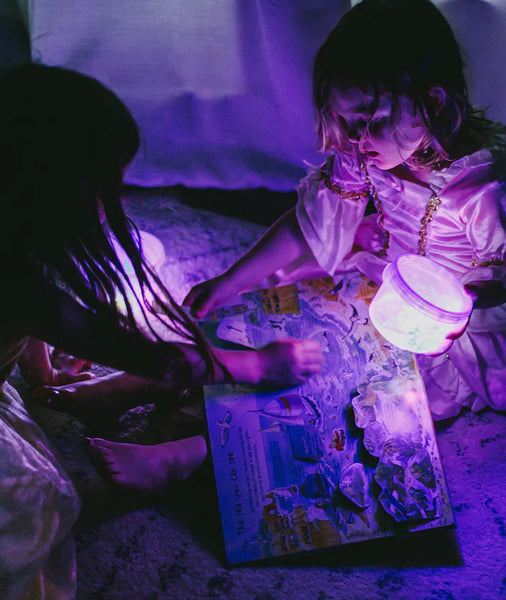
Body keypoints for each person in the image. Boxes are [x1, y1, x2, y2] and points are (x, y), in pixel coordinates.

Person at [0, 63, 321, 600]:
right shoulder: (22, 286)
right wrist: (257, 364)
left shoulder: (16, 236)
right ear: (54, 193)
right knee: (37, 506)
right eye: (106, 189)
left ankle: (105, 400)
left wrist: (40, 372)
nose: (118, 202)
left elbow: (29, 327)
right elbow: (159, 360)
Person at [184, 0, 506, 422]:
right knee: (309, 334)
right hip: (396, 278)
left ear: (431, 102)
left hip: (462, 313)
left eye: (372, 121)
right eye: (345, 122)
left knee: (379, 397)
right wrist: (229, 281)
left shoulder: (481, 186)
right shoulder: (365, 154)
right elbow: (308, 224)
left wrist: (463, 301)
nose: (357, 139)